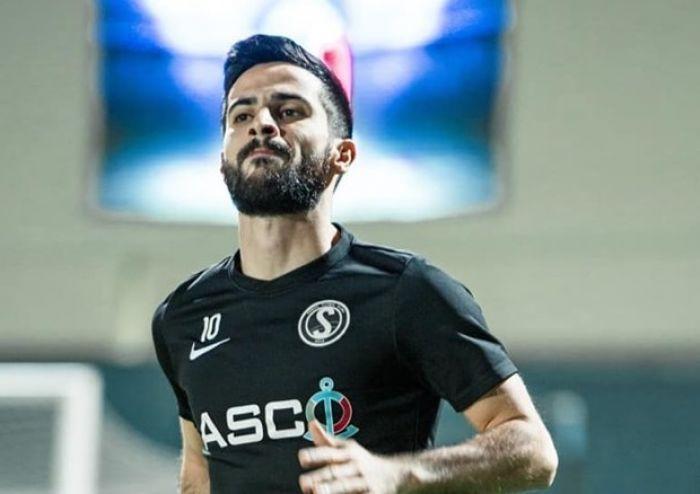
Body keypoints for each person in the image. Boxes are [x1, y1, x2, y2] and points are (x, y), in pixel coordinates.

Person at [152, 34, 558, 494]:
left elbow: (532, 449)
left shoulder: (407, 291)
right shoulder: (182, 317)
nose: (262, 123)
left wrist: (397, 473)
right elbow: (199, 475)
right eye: (241, 115)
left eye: (289, 111)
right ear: (222, 159)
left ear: (341, 154)